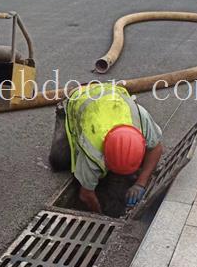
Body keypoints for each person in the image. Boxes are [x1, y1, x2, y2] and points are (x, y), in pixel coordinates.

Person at [49, 82, 164, 213]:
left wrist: (140, 183)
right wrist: (99, 213)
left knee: (145, 163)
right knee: (58, 161)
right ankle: (62, 111)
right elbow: (86, 194)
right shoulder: (92, 150)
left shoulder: (141, 119)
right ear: (105, 157)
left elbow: (156, 148)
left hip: (112, 95)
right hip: (79, 99)